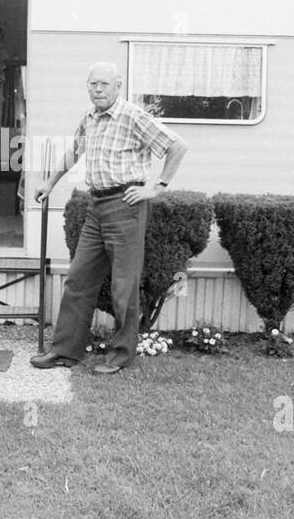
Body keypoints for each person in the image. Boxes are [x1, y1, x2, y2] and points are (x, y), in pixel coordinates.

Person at [30, 62, 188, 374]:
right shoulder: (89, 117)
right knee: (78, 278)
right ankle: (65, 351)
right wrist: (50, 183)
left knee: (123, 286)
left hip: (125, 205)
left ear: (117, 86)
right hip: (96, 206)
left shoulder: (132, 115)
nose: (98, 89)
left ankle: (120, 356)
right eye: (93, 84)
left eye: (104, 84)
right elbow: (74, 152)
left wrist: (156, 187)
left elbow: (177, 146)